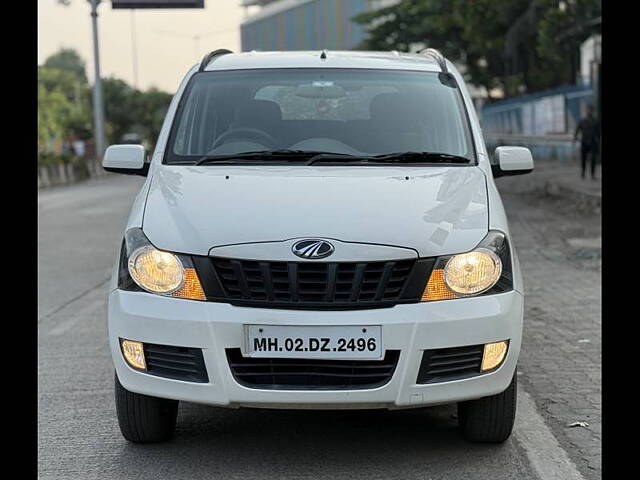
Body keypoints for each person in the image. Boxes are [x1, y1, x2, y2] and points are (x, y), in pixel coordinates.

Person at [573, 105, 600, 180]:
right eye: (588, 110)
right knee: (583, 159)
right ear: (586, 111)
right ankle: (583, 173)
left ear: (592, 111)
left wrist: (598, 141)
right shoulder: (582, 121)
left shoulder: (596, 121)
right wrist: (575, 137)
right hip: (584, 142)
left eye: (590, 110)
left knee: (593, 159)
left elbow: (598, 132)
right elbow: (577, 129)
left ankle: (592, 174)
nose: (589, 111)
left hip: (593, 143)